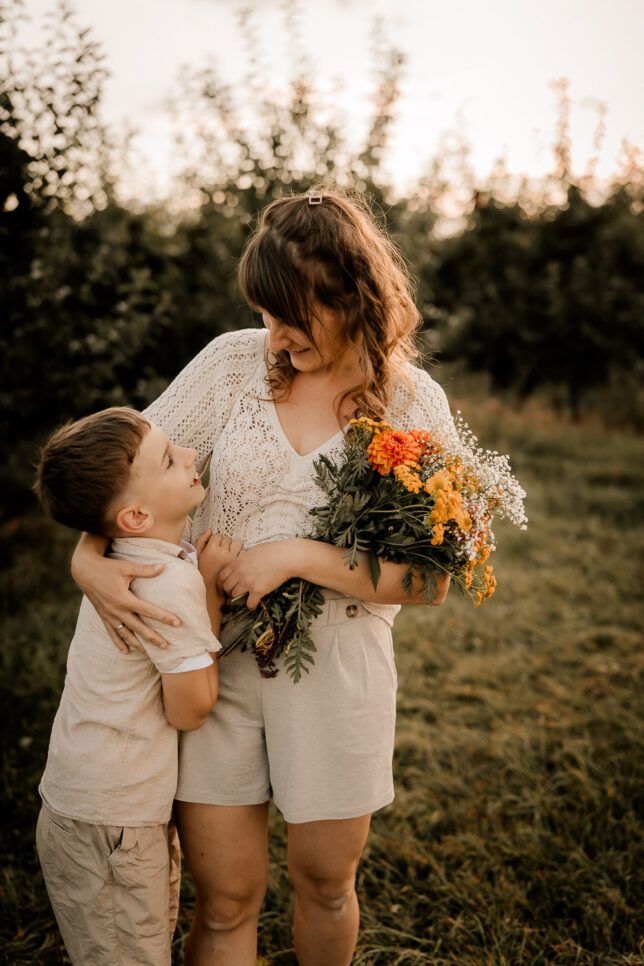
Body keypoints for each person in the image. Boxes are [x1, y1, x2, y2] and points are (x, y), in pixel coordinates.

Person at [71, 187, 457, 966]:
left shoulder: (414, 403)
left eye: (293, 314)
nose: (275, 336)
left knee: (324, 886)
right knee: (225, 900)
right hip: (211, 666)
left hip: (340, 678)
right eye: (265, 313)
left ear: (353, 296)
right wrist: (86, 562)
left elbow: (432, 580)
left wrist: (297, 557)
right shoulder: (230, 363)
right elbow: (122, 482)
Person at [34, 406, 241, 966]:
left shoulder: (119, 559)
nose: (192, 455)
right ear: (134, 516)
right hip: (114, 818)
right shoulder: (164, 581)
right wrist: (212, 597)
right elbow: (191, 707)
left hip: (90, 801)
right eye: (171, 460)